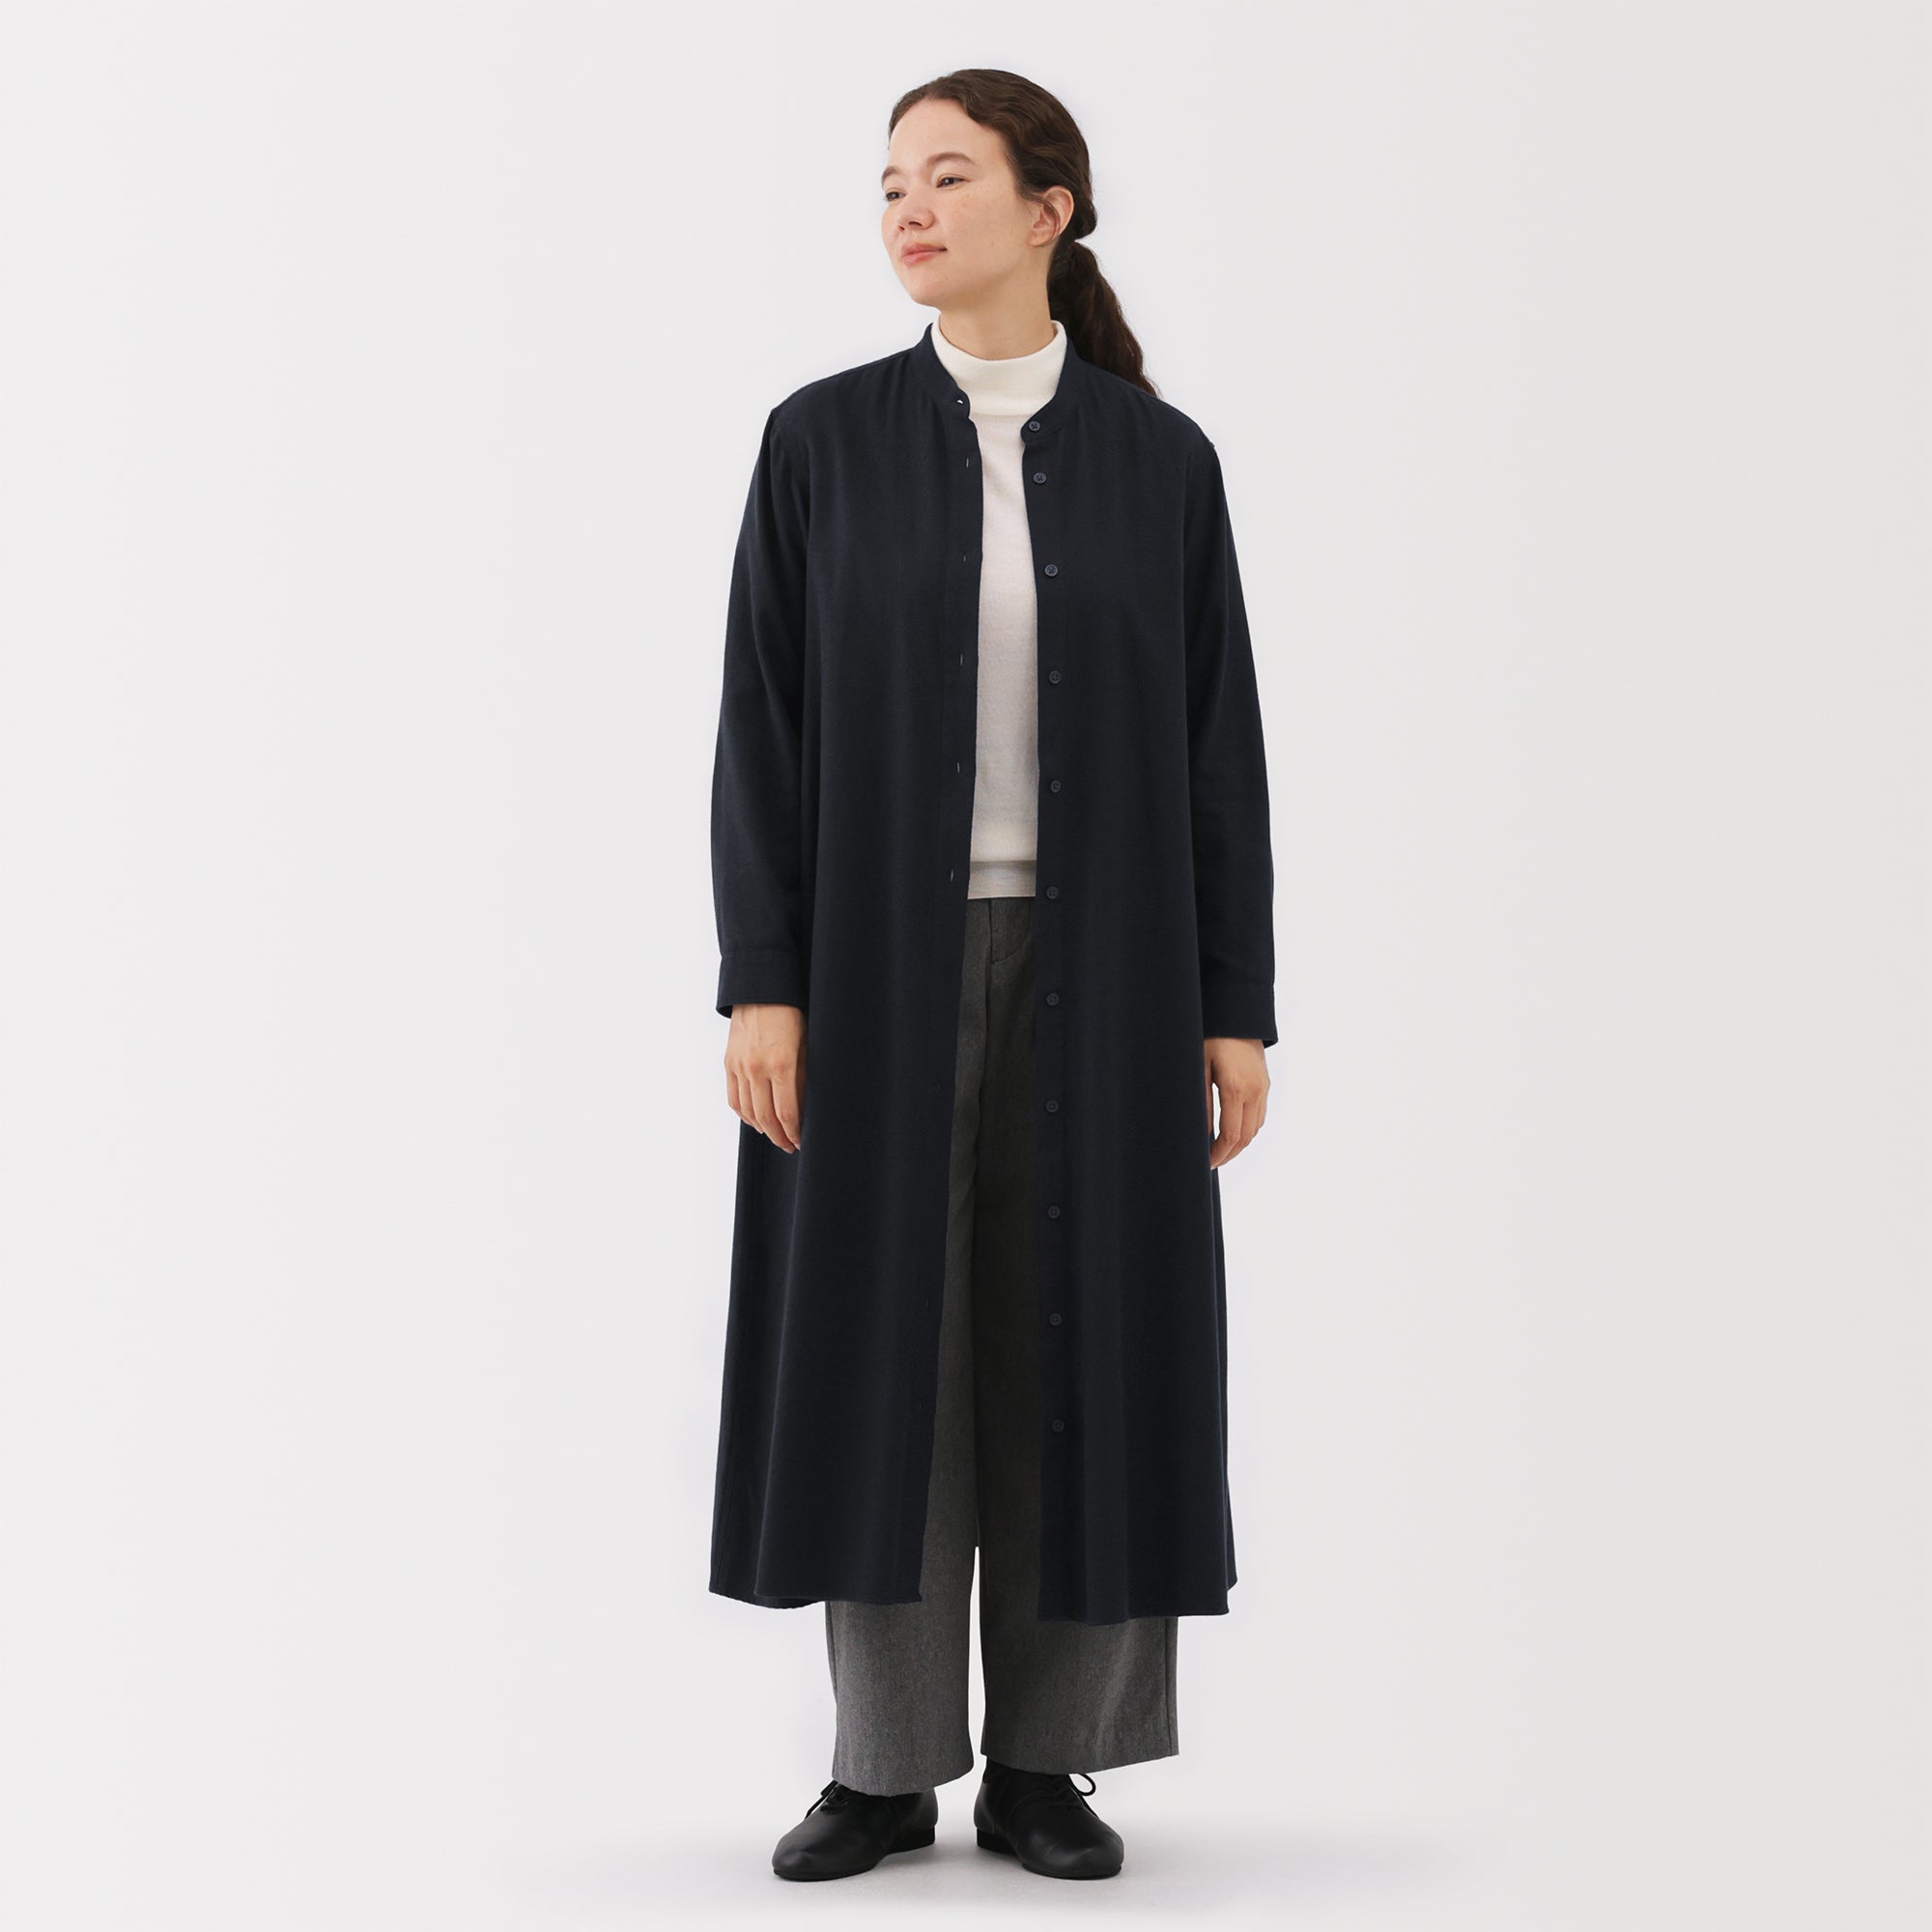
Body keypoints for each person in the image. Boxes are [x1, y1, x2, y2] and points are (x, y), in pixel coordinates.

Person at [709, 69, 1277, 1885]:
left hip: (1111, 973)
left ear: (1051, 209)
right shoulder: (820, 443)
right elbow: (762, 728)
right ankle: (883, 1767)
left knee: (1087, 1340)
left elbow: (1217, 746)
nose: (908, 207)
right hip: (869, 972)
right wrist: (764, 979)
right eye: (891, 181)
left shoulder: (1161, 462)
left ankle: (1051, 1764)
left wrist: (1234, 1002)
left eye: (949, 176)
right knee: (884, 1351)